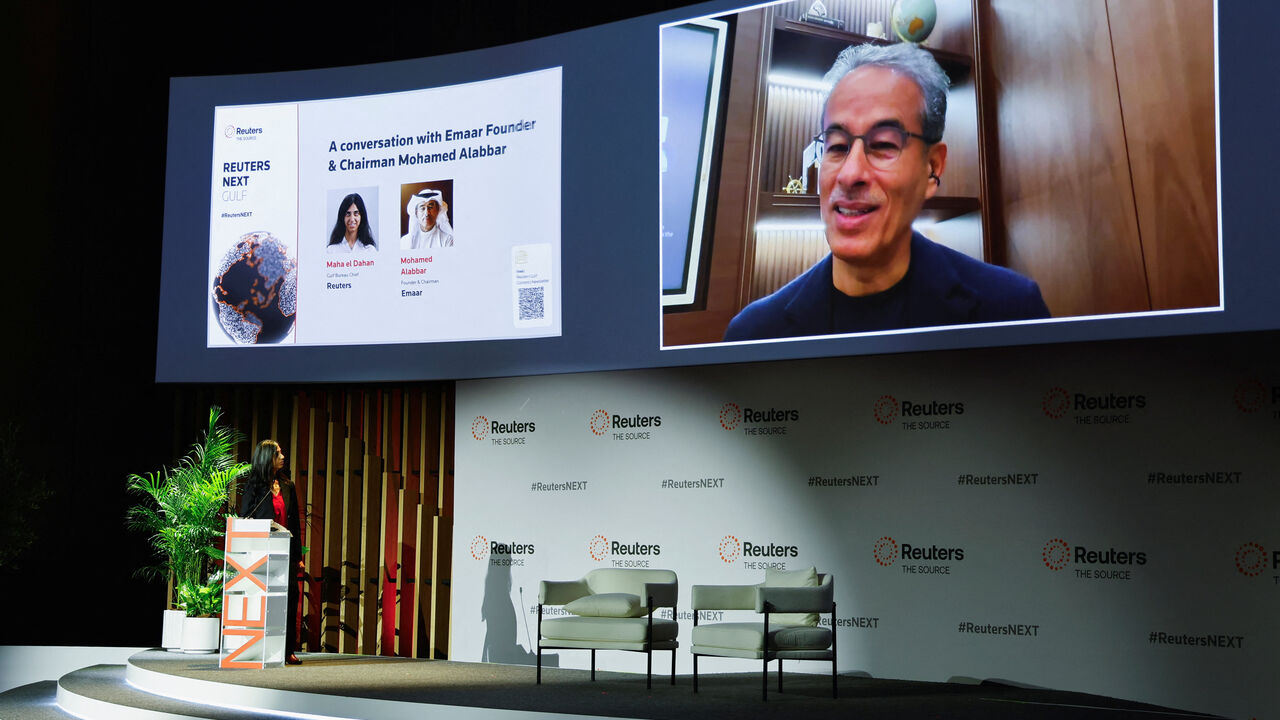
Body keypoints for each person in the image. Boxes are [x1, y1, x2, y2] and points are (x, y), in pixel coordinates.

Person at [724, 43, 1049, 341]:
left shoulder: (1011, 312)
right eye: (837, 146)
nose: (850, 174)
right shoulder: (754, 334)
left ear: (931, 168)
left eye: (882, 145)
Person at [238, 439, 304, 666]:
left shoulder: (288, 486)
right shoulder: (255, 486)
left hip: (285, 552)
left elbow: (295, 524)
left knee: (290, 598)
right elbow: (245, 517)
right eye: (278, 452)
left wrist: (298, 557)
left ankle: (287, 651)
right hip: (261, 553)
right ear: (267, 457)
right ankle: (261, 648)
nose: (283, 456)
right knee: (263, 601)